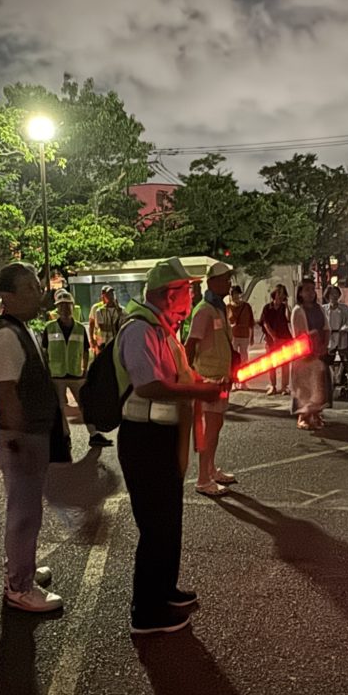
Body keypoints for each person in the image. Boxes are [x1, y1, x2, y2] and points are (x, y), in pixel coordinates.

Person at [113, 257, 224, 634]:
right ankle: (146, 612)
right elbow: (149, 386)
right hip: (144, 439)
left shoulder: (162, 329)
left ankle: (164, 591)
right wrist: (200, 390)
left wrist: (203, 383)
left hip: (161, 437)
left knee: (168, 522)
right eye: (186, 290)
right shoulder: (139, 330)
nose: (191, 295)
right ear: (167, 294)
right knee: (156, 526)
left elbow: (179, 375)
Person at [0, 263, 67, 613]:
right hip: (22, 436)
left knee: (27, 509)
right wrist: (19, 442)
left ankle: (21, 569)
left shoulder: (21, 329)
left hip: (31, 433)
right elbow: (5, 393)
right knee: (24, 513)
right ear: (8, 296)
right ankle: (19, 587)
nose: (39, 293)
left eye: (38, 286)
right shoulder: (7, 335)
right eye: (30, 288)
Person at [185, 261, 236, 496]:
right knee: (210, 429)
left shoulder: (218, 309)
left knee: (216, 425)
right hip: (208, 380)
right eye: (225, 279)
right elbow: (190, 344)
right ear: (212, 282)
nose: (229, 283)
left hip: (220, 378)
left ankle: (211, 470)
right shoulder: (205, 310)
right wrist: (191, 376)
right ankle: (203, 479)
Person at [44, 289, 112, 448]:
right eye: (61, 306)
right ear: (57, 308)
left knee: (85, 404)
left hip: (76, 373)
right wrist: (47, 371)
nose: (65, 309)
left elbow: (85, 350)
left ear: (73, 307)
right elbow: (45, 351)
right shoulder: (50, 327)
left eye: (67, 305)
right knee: (60, 408)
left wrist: (84, 369)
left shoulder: (80, 328)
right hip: (57, 374)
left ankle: (94, 434)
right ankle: (64, 436)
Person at [291, 277, 330, 430]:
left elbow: (326, 328)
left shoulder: (319, 309)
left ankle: (316, 414)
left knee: (319, 386)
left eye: (313, 289)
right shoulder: (298, 310)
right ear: (300, 293)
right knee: (305, 387)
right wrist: (310, 349)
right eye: (307, 290)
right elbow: (299, 335)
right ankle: (303, 417)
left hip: (319, 353)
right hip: (304, 356)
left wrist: (324, 346)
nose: (311, 293)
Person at [259, 284, 292, 395]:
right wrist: (273, 336)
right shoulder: (267, 308)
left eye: (283, 293)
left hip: (285, 337)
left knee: (285, 363)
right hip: (271, 340)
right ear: (274, 294)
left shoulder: (284, 307)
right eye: (279, 293)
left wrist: (287, 306)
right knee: (271, 363)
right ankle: (273, 385)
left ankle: (284, 386)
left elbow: (289, 319)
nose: (281, 295)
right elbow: (265, 323)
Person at [322, 285, 348, 397]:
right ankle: (330, 379)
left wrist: (345, 328)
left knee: (345, 359)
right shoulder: (324, 309)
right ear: (328, 296)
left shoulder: (344, 309)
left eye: (336, 294)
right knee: (328, 361)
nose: (334, 296)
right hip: (329, 338)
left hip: (341, 337)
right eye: (332, 294)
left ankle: (345, 378)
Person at [226, 285, 255, 390]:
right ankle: (234, 382)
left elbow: (251, 322)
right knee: (233, 360)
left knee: (244, 359)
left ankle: (243, 381)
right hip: (233, 336)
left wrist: (252, 336)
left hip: (244, 335)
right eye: (233, 294)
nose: (235, 296)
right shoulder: (228, 307)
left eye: (236, 294)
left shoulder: (246, 306)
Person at [88, 285, 123, 355]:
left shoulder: (118, 308)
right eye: (108, 294)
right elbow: (91, 324)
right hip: (101, 341)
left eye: (112, 294)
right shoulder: (96, 308)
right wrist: (92, 339)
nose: (111, 297)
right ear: (102, 295)